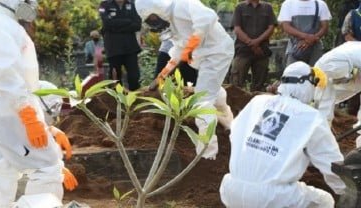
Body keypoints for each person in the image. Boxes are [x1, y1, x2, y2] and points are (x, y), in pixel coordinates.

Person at [219, 61, 346, 208]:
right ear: (306, 84)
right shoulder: (312, 117)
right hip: (273, 197)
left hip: (231, 189)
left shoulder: (257, 102)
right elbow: (331, 164)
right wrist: (346, 188)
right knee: (324, 201)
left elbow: (235, 133)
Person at [0, 0, 75, 206]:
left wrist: (47, 127)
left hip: (6, 110)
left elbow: (20, 82)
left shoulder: (3, 25)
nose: (33, 6)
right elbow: (6, 76)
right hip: (10, 111)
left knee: (1, 170)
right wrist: (30, 118)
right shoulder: (0, 26)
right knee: (47, 169)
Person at [136, 0, 234, 160]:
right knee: (209, 90)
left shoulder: (183, 5)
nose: (153, 23)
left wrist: (191, 47)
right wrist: (159, 78)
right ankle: (230, 124)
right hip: (203, 57)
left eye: (152, 19)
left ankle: (207, 155)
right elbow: (177, 54)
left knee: (202, 103)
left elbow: (207, 18)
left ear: (157, 8)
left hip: (217, 53)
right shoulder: (171, 23)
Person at [230, 0, 277, 92]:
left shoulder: (267, 7)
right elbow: (237, 29)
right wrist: (252, 43)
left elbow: (271, 28)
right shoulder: (240, 7)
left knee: (259, 86)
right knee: (236, 84)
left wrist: (257, 42)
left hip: (262, 50)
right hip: (243, 50)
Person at [314, 41, 361, 130]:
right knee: (325, 101)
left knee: (324, 98)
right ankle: (321, 132)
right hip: (336, 66)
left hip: (327, 64)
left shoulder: (356, 45)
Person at [99, 0, 142, 91]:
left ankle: (135, 101)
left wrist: (115, 27)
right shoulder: (104, 5)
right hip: (113, 48)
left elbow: (137, 25)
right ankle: (117, 102)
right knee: (115, 79)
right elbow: (107, 24)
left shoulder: (132, 5)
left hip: (130, 47)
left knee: (134, 77)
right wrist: (128, 21)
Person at [278, 0, 332, 66]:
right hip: (295, 48)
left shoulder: (320, 4)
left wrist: (310, 40)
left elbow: (324, 27)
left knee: (316, 74)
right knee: (294, 74)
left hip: (315, 49)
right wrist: (308, 37)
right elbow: (286, 27)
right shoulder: (288, 3)